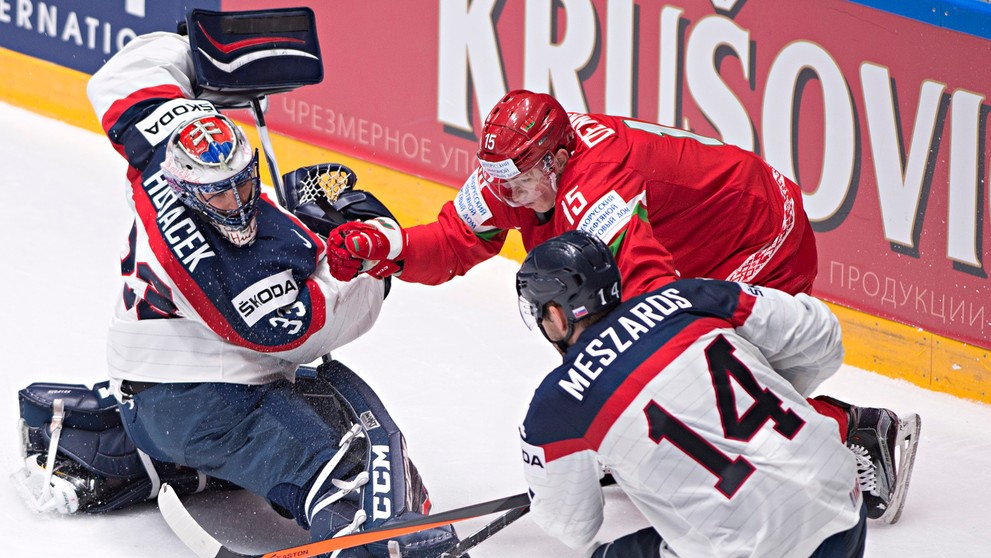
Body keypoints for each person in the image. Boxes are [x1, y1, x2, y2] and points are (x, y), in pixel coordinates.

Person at [327, 89, 914, 522]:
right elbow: (456, 240)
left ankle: (856, 432)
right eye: (496, 177)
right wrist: (391, 244)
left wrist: (630, 400)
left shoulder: (596, 189)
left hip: (759, 234)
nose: (503, 193)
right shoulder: (523, 171)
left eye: (516, 180)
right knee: (606, 331)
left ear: (556, 162)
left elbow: (650, 298)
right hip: (689, 244)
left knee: (701, 367)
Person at [82, 30, 460, 557]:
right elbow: (301, 333)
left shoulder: (159, 153)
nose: (237, 201)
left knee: (325, 407)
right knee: (336, 470)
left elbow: (125, 76)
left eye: (242, 182)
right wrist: (371, 262)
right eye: (220, 191)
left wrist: (188, 46)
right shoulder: (222, 265)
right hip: (203, 403)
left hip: (149, 387)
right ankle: (367, 542)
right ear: (189, 188)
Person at [515, 230, 867, 558]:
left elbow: (573, 527)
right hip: (841, 501)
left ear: (558, 316)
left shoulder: (555, 404)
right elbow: (822, 335)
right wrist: (770, 393)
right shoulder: (687, 297)